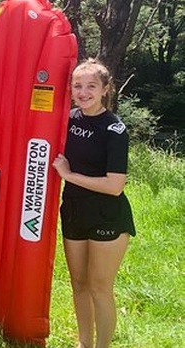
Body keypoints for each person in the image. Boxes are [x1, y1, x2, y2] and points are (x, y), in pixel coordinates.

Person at [53, 58, 135, 348]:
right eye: (78, 85)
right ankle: (84, 344)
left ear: (105, 89)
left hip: (106, 215)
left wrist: (69, 175)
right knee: (79, 284)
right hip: (74, 211)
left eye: (91, 86)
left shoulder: (114, 129)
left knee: (100, 288)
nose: (83, 92)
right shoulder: (68, 118)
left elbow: (114, 186)